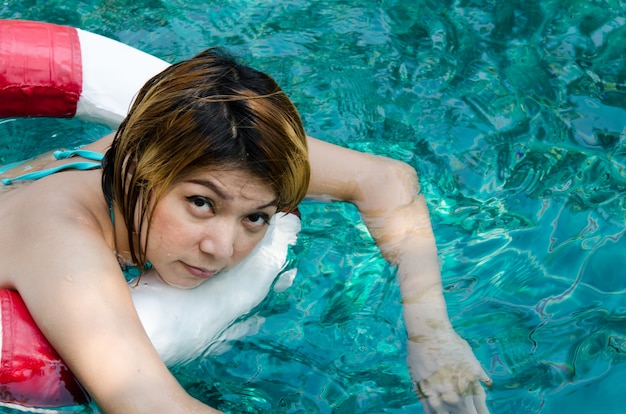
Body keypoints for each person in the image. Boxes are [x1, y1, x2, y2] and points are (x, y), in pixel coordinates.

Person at [0, 48, 490, 413]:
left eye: (255, 218)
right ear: (135, 169)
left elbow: (388, 179)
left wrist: (431, 333)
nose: (222, 247)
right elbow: (147, 403)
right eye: (200, 204)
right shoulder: (60, 236)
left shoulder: (228, 152)